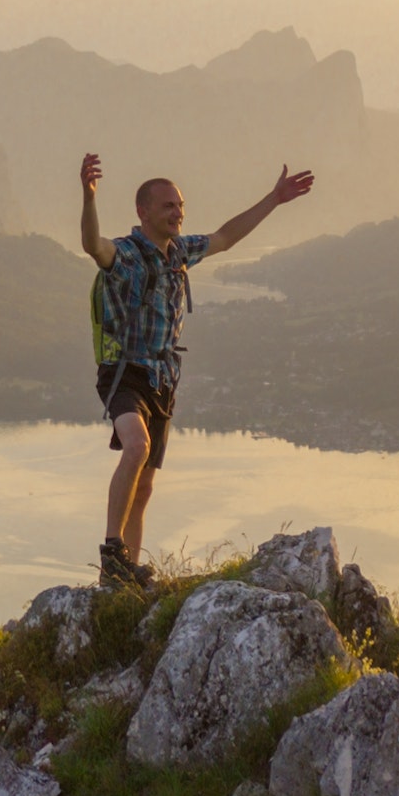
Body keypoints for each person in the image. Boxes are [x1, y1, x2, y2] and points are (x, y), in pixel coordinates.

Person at [81, 146, 310, 589]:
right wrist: (89, 196)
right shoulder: (127, 255)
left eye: (181, 206)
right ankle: (112, 552)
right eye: (168, 206)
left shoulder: (179, 253)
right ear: (143, 211)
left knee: (144, 487)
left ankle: (123, 578)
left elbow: (226, 237)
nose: (178, 213)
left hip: (163, 379)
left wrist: (274, 199)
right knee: (137, 445)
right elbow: (93, 245)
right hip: (125, 371)